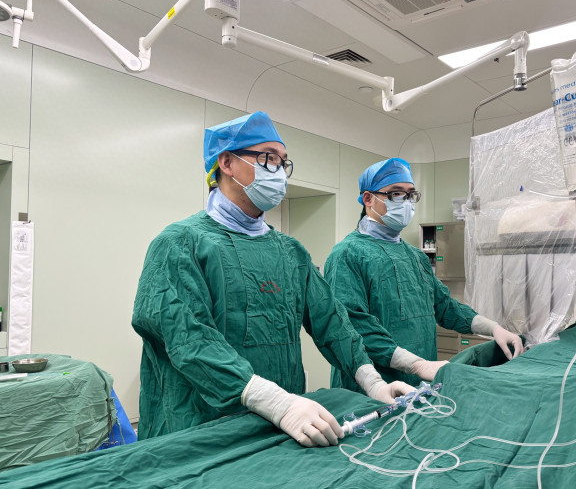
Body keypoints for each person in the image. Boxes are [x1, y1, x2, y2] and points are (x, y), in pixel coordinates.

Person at [132, 112, 413, 447]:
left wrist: (373, 382)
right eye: (268, 158)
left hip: (282, 430)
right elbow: (189, 340)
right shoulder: (180, 244)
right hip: (202, 430)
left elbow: (332, 323)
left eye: (283, 162)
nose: (278, 171)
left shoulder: (290, 251)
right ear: (227, 162)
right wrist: (277, 403)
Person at [324, 158, 525, 391]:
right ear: (368, 199)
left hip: (420, 386)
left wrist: (494, 329)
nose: (406, 202)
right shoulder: (347, 255)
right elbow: (353, 327)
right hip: (370, 390)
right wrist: (417, 365)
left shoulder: (416, 257)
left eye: (411, 194)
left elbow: (446, 307)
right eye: (396, 194)